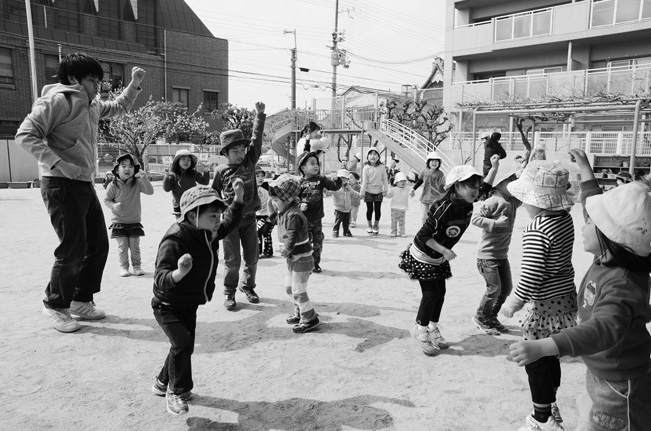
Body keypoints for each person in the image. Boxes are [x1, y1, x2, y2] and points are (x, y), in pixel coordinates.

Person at [508, 149, 651, 431]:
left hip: (618, 385)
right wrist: (585, 170)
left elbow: (602, 328)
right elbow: (592, 205)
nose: (583, 224)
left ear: (611, 238)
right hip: (604, 370)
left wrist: (546, 345)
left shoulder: (620, 282)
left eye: (589, 222)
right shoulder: (612, 257)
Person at [14, 52, 145, 333]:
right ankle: (55, 304)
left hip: (84, 184)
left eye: (99, 81)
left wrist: (134, 84)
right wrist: (58, 163)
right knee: (72, 249)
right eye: (91, 80)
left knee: (98, 244)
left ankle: (80, 300)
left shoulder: (92, 104)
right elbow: (25, 134)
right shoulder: (58, 101)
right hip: (60, 183)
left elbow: (119, 107)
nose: (97, 86)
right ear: (73, 79)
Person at [151, 180, 245, 416]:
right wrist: (179, 272)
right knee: (182, 344)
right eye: (213, 216)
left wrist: (239, 199)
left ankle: (162, 382)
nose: (217, 221)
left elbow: (230, 223)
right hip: (167, 304)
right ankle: (177, 392)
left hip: (189, 303)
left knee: (182, 345)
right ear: (193, 215)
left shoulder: (209, 233)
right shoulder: (176, 239)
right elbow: (160, 277)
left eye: (218, 215)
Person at [501, 160, 578, 431]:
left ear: (535, 201)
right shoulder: (564, 219)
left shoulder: (536, 230)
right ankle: (550, 402)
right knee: (551, 354)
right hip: (565, 297)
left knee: (535, 360)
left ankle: (541, 417)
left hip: (544, 305)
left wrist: (514, 300)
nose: (522, 204)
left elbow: (532, 275)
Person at [399, 165, 484, 356]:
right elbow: (423, 236)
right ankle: (420, 331)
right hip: (424, 255)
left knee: (441, 293)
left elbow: (487, 187)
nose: (477, 191)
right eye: (473, 187)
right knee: (430, 294)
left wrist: (494, 168)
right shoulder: (442, 207)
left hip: (438, 257)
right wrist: (444, 250)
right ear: (457, 186)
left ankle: (432, 328)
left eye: (478, 188)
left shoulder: (468, 204)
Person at [211, 101, 266, 311]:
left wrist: (259, 116)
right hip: (229, 222)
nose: (240, 153)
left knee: (252, 258)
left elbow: (256, 140)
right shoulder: (220, 170)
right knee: (233, 261)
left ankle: (248, 286)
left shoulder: (250, 162)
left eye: (242, 149)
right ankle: (229, 292)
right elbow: (214, 195)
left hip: (250, 218)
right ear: (225, 153)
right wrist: (214, 219)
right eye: (235, 150)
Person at [470, 167, 522, 335]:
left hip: (502, 255)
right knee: (494, 289)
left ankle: (491, 316)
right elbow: (476, 219)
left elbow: (526, 194)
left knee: (506, 288)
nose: (514, 185)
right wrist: (495, 224)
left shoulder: (513, 201)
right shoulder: (491, 201)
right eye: (510, 182)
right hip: (487, 256)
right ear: (499, 184)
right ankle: (480, 317)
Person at [268, 174, 320, 333]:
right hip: (293, 259)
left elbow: (292, 234)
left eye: (276, 200)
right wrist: (270, 203)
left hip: (301, 259)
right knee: (289, 289)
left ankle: (310, 318)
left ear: (287, 198)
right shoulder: (285, 211)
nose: (275, 204)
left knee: (298, 291)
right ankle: (300, 311)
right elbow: (273, 219)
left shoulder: (294, 215)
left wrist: (286, 248)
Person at [103, 153, 154, 277]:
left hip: (134, 221)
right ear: (116, 169)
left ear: (135, 169)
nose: (127, 169)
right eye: (123, 166)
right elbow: (106, 200)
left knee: (135, 246)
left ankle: (137, 266)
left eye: (131, 166)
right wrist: (114, 206)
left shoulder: (137, 183)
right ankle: (123, 267)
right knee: (123, 247)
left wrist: (144, 178)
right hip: (119, 222)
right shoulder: (112, 185)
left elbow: (150, 191)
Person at [295, 151, 342, 273]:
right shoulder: (299, 183)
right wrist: (300, 204)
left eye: (317, 163)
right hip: (304, 220)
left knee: (317, 244)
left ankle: (315, 264)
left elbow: (334, 187)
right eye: (312, 163)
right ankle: (305, 263)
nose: (316, 166)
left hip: (317, 219)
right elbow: (294, 199)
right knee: (305, 243)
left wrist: (337, 180)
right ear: (303, 168)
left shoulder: (321, 180)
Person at [163, 149, 210, 219]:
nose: (186, 162)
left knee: (192, 225)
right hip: (178, 205)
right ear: (177, 161)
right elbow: (166, 189)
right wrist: (166, 176)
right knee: (181, 225)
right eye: (183, 159)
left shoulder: (193, 173)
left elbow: (204, 182)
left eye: (189, 160)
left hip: (192, 203)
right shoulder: (172, 175)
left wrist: (206, 170)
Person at [410, 151, 446, 224]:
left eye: (436, 161)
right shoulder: (424, 171)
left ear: (439, 163)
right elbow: (420, 181)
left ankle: (432, 231)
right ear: (428, 162)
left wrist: (445, 196)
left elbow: (442, 186)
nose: (434, 163)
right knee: (424, 217)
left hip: (435, 199)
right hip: (424, 198)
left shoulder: (440, 174)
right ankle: (425, 231)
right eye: (432, 161)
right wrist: (413, 189)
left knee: (433, 216)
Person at [360, 147, 389, 235]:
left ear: (379, 157)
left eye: (375, 154)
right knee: (369, 209)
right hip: (368, 191)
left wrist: (385, 189)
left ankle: (376, 225)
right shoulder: (366, 168)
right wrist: (362, 191)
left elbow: (385, 179)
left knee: (377, 209)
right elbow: (364, 181)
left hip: (379, 192)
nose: (373, 156)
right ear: (367, 156)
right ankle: (369, 225)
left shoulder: (382, 167)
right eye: (370, 154)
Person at [331, 169, 357, 238]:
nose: (343, 180)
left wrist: (360, 195)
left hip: (347, 207)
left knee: (346, 221)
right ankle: (335, 231)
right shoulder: (335, 186)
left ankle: (346, 231)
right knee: (338, 221)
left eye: (345, 178)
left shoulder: (348, 186)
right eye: (341, 178)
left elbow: (352, 192)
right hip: (339, 208)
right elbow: (331, 191)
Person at [255, 165, 273, 258]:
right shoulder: (252, 189)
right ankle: (258, 252)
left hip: (269, 215)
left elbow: (276, 182)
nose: (260, 178)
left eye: (262, 175)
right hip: (258, 215)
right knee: (258, 233)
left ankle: (268, 252)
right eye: (257, 176)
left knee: (266, 232)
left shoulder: (267, 186)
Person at [385, 171, 410, 237]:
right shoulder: (393, 189)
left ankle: (402, 232)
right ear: (396, 182)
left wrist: (412, 193)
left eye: (404, 181)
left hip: (403, 208)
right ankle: (393, 232)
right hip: (394, 208)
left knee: (402, 222)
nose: (403, 182)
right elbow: (389, 196)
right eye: (401, 181)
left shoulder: (407, 189)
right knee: (394, 221)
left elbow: (411, 195)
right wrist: (384, 194)